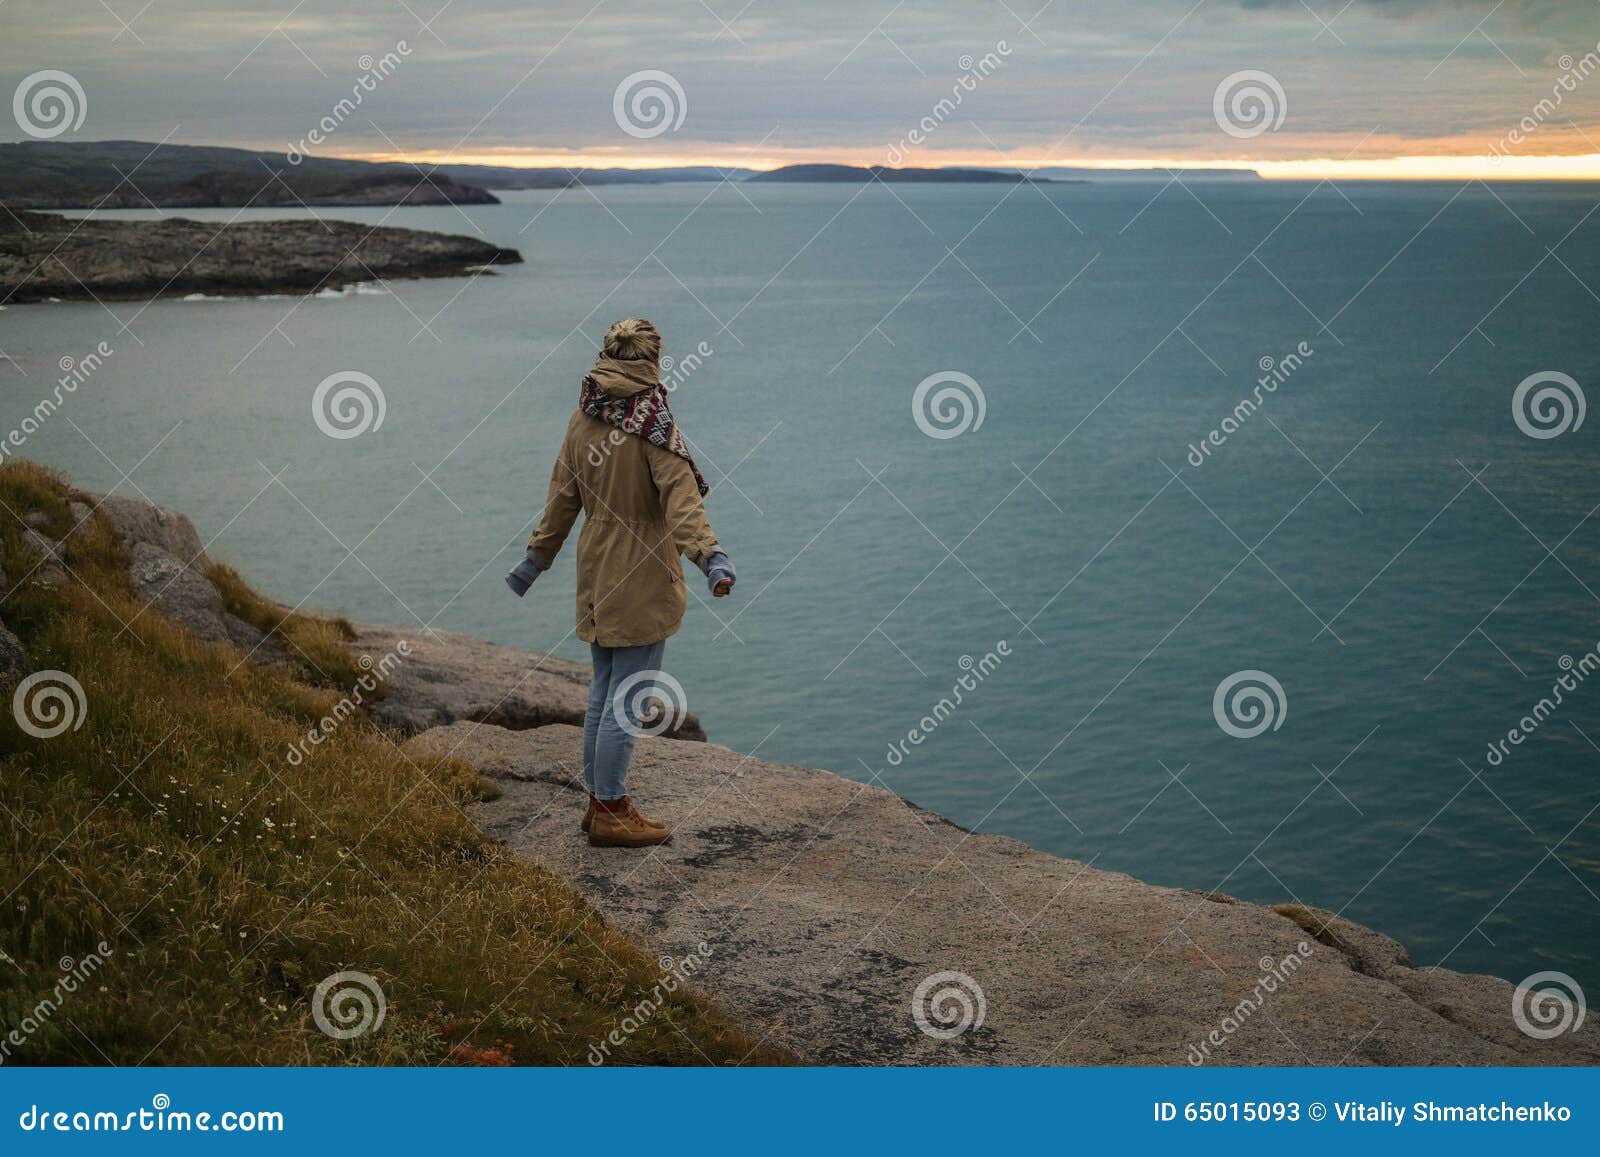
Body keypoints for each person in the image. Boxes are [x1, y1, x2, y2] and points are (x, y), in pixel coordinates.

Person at [506, 318, 734, 849]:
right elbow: (683, 503)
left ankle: (599, 803)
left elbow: (562, 498)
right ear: (653, 362)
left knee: (603, 693)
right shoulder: (652, 423)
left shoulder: (583, 416)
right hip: (642, 574)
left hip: (597, 566)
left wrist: (535, 559)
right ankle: (610, 807)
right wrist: (711, 558)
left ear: (605, 357)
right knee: (627, 700)